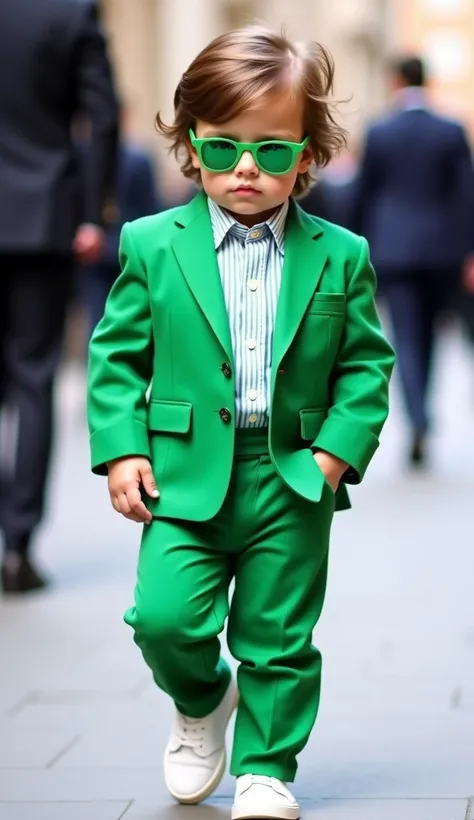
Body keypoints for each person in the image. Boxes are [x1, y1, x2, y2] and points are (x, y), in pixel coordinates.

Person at [87, 26, 394, 820]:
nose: (247, 168)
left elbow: (367, 364)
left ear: (308, 151)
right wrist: (122, 452)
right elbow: (116, 356)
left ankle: (265, 765)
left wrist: (334, 455)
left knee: (278, 635)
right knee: (163, 619)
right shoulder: (152, 244)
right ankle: (201, 702)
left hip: (289, 472)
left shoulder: (341, 254)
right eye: (223, 149)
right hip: (183, 474)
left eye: (271, 149)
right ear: (191, 147)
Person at [0, 0, 118, 594]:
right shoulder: (70, 12)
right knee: (34, 376)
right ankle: (17, 544)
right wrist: (94, 209)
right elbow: (102, 114)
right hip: (41, 215)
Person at [352, 56, 474, 466]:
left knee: (405, 335)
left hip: (395, 251)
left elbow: (363, 193)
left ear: (396, 81)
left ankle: (417, 416)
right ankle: (424, 412)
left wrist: (354, 248)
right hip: (442, 252)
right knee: (432, 336)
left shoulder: (380, 131)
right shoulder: (451, 130)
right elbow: (467, 195)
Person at [78, 107, 161, 337]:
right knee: (123, 313)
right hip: (115, 250)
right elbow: (150, 208)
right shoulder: (137, 158)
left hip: (102, 249)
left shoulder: (86, 155)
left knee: (100, 314)